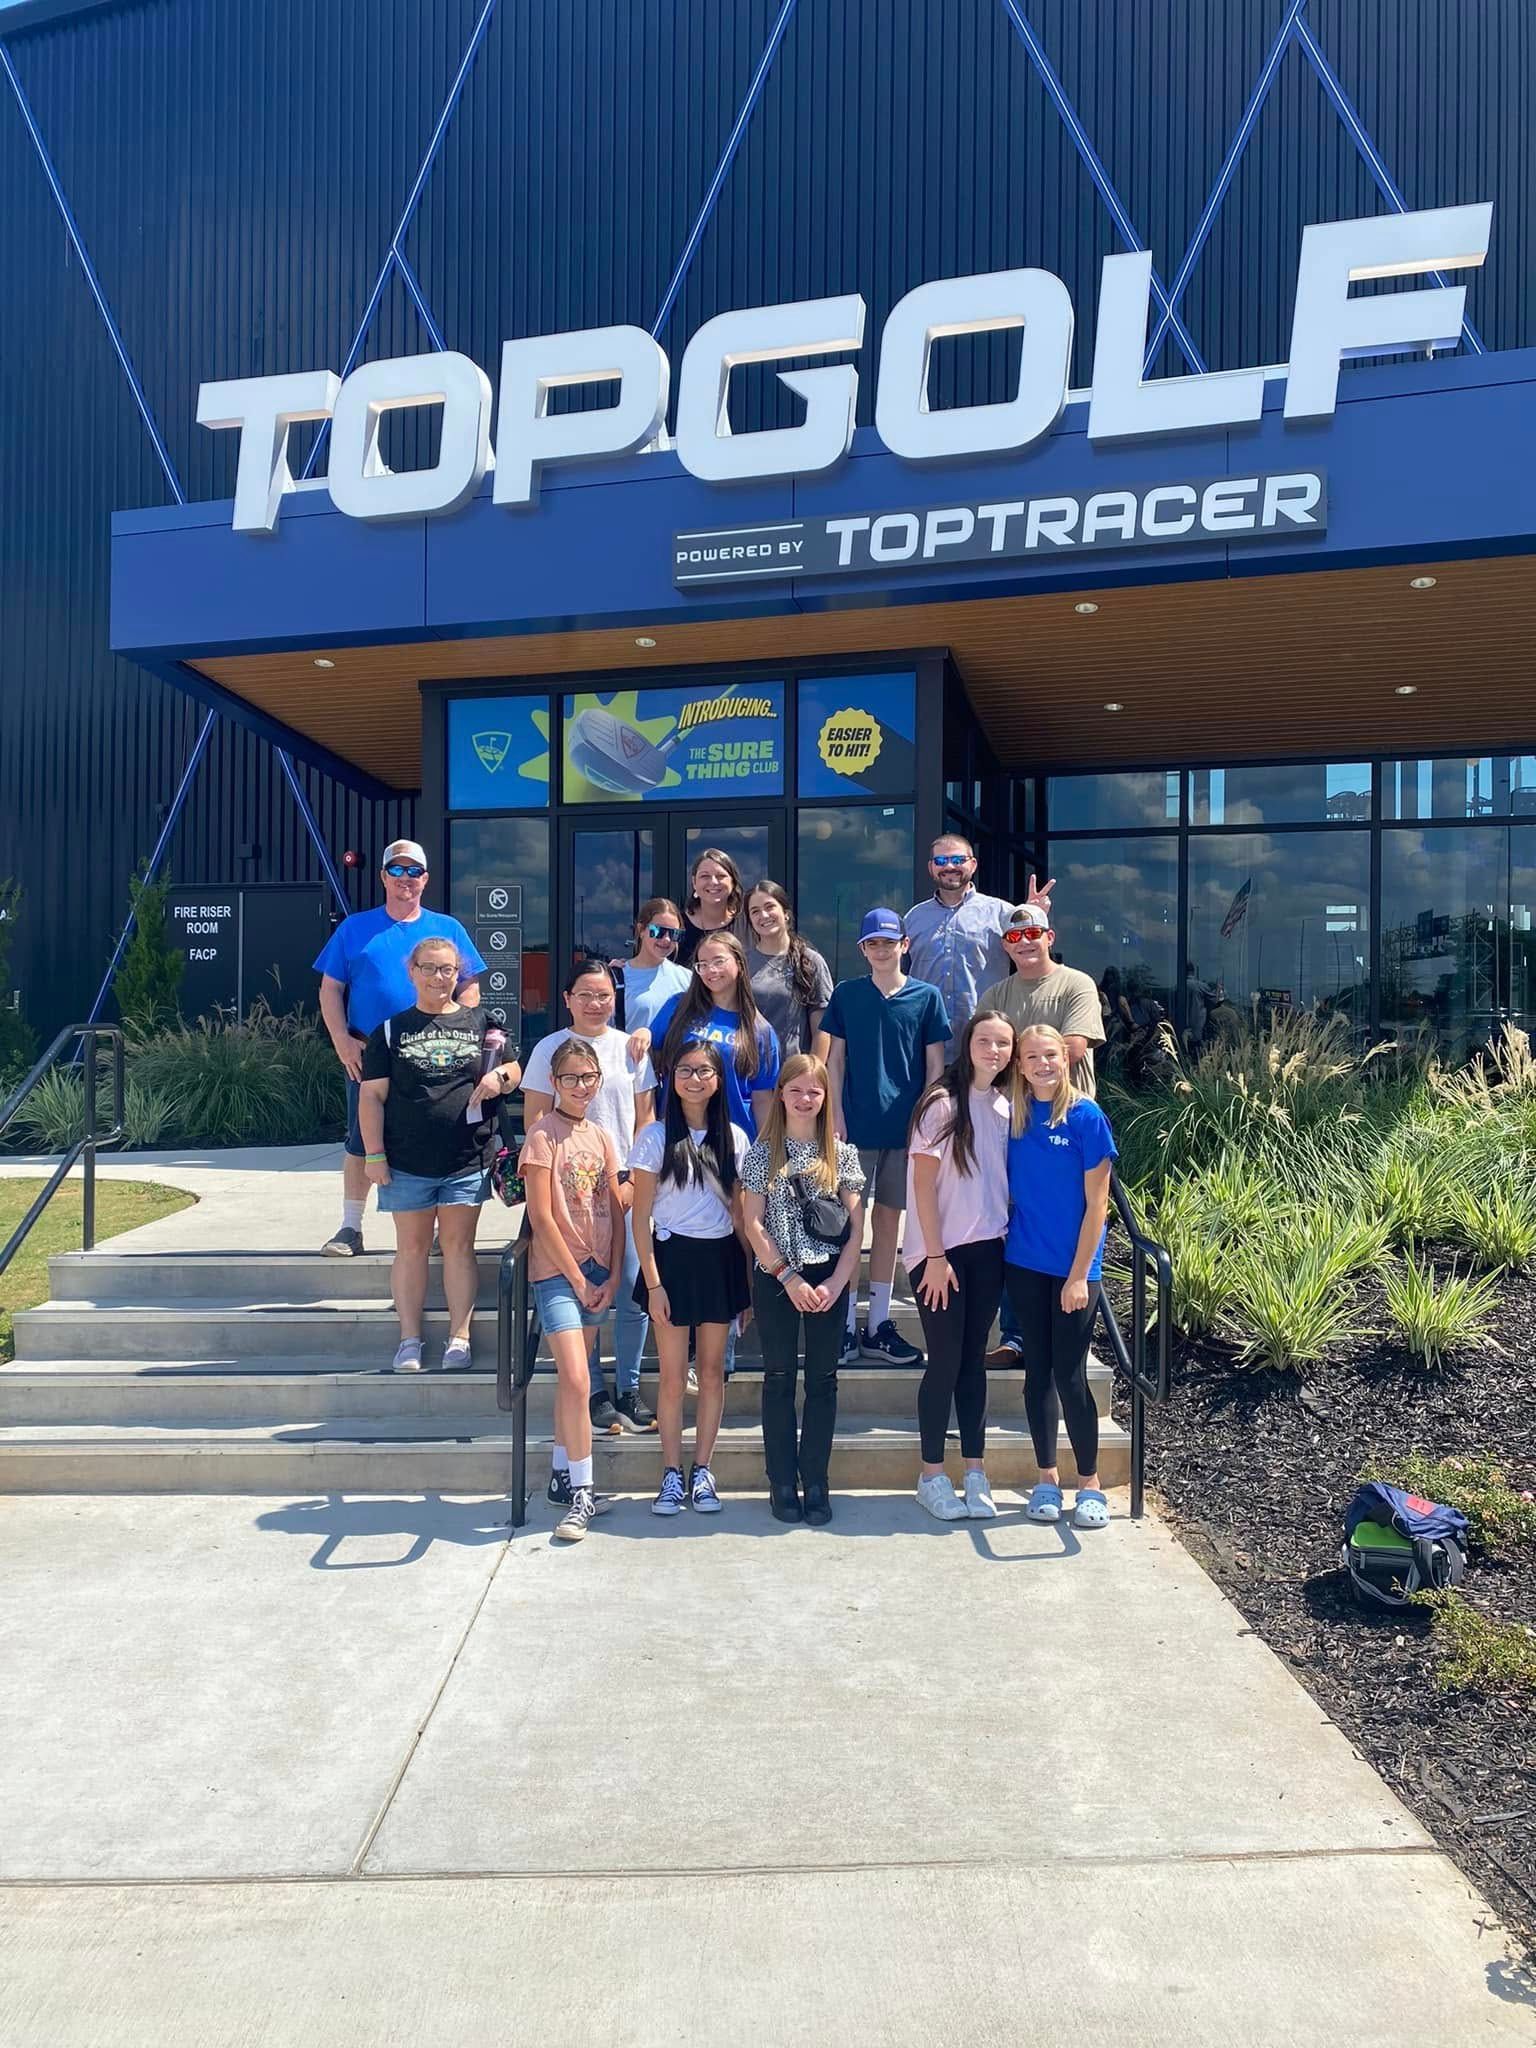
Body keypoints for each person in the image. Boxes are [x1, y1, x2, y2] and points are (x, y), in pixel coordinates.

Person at [314, 838, 491, 1257]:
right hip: (368, 1055)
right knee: (362, 1141)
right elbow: (330, 989)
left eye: (414, 871)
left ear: (425, 879)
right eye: (397, 869)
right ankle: (351, 1227)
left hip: (435, 1054)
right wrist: (342, 1042)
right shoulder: (354, 928)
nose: (405, 878)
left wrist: (464, 1041)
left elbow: (470, 989)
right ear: (383, 876)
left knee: (437, 1135)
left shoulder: (448, 929)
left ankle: (441, 1232)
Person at [358, 936, 520, 1374]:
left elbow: (513, 1067)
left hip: (466, 1159)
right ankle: (409, 1340)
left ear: (458, 974)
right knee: (411, 1248)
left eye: (447, 969)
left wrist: (502, 1077)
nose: (437, 977)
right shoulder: (390, 1031)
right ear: (412, 972)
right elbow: (372, 1097)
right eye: (428, 968)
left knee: (458, 1247)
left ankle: (459, 1338)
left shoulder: (482, 1022)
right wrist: (374, 1155)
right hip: (406, 1162)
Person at [520, 960, 657, 1437]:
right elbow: (535, 1120)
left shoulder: (630, 1047)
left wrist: (633, 1179)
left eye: (604, 995)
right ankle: (594, 1392)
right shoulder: (548, 1048)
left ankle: (629, 1388)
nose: (595, 1003)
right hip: (570, 1192)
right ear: (567, 999)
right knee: (587, 1290)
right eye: (585, 994)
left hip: (622, 1185)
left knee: (633, 1288)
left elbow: (646, 1117)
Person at [628, 1039, 752, 1518]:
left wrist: (747, 1285)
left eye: (704, 1071)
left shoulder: (735, 1139)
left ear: (719, 1080)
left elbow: (740, 1218)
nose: (694, 1079)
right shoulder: (655, 1138)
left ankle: (703, 1469)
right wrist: (654, 1284)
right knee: (674, 1374)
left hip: (719, 1260)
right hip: (671, 1261)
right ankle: (671, 1472)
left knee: (714, 1370)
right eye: (685, 1070)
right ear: (671, 1078)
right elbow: (641, 1219)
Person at [904, 1008, 1018, 1522]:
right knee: (945, 1362)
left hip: (988, 1251)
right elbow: (922, 1186)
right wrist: (934, 1256)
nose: (994, 1051)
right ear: (968, 1044)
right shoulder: (941, 1104)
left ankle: (975, 1471)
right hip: (939, 1254)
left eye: (1003, 1044)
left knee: (973, 1362)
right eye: (985, 1041)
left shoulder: (1005, 1106)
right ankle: (931, 1476)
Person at [822, 908, 949, 1367]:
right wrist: (834, 1114)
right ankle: (843, 1327)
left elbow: (935, 1066)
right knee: (848, 1223)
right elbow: (834, 1061)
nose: (881, 950)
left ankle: (877, 1324)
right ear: (863, 949)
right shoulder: (847, 994)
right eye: (872, 943)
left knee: (888, 1223)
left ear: (904, 945)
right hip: (854, 1129)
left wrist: (927, 1122)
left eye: (888, 942)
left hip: (905, 1131)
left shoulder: (926, 997)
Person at [740, 1055, 865, 1524]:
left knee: (822, 1381)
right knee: (778, 1378)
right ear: (781, 1095)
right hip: (778, 1277)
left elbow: (856, 1228)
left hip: (827, 1277)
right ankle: (780, 1480)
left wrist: (836, 1281)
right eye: (796, 1090)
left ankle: (815, 1479)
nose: (805, 1098)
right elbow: (752, 1223)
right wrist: (786, 1276)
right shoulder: (762, 1153)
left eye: (814, 1090)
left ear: (825, 1096)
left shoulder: (841, 1155)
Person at [1004, 1025, 1117, 1533]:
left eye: (1050, 1054)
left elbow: (1098, 1206)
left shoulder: (1086, 1117)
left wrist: (1078, 1276)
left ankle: (1090, 1483)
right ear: (1020, 1065)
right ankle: (1046, 1477)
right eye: (1032, 1057)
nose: (1042, 1064)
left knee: (1071, 1376)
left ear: (1066, 1058)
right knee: (1038, 1375)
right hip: (1024, 1264)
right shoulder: (1013, 1115)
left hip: (1074, 1271)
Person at [518, 1036, 626, 1543]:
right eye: (570, 1078)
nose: (580, 1086)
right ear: (554, 1082)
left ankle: (562, 1474)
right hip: (559, 1274)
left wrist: (612, 1271)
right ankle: (584, 1490)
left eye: (587, 1077)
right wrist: (578, 1279)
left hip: (599, 1273)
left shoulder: (601, 1137)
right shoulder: (543, 1136)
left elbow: (616, 1207)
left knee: (572, 1384)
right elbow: (540, 1215)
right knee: (580, 1380)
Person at [904, 835, 1052, 1054]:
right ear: (931, 867)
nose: (950, 866)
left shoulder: (1002, 913)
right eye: (941, 861)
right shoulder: (913, 918)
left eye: (958, 860)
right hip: (925, 1044)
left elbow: (1030, 960)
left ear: (973, 864)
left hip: (986, 1046)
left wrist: (1032, 916)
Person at [650, 933, 781, 1141]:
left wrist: (765, 1150)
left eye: (719, 961)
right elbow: (647, 1057)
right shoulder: (678, 1006)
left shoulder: (761, 1031)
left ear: (739, 963)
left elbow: (763, 1099)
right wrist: (641, 1033)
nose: (711, 970)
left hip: (733, 1140)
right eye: (702, 964)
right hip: (677, 1136)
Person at [977, 901, 1105, 1093]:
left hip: (1068, 1106)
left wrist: (1005, 1054)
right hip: (1012, 1107)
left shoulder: (1078, 984)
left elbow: (1073, 1049)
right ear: (1005, 945)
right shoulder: (994, 995)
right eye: (1014, 936)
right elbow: (980, 1051)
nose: (1024, 942)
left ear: (1050, 937)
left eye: (1033, 933)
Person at [745, 880, 833, 1057]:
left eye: (769, 907)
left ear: (785, 913)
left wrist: (814, 1069)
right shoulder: (742, 963)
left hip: (795, 1069)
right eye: (755, 911)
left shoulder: (810, 961)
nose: (763, 915)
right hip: (752, 1069)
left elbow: (822, 1030)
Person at [616, 897, 692, 1050]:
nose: (666, 939)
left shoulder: (687, 978)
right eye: (658, 931)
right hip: (630, 1061)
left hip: (674, 1063)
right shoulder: (617, 976)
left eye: (674, 934)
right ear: (641, 930)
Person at [675, 847, 747, 965]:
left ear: (733, 882)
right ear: (694, 882)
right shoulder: (678, 926)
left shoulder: (747, 925)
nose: (713, 882)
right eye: (705, 876)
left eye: (720, 876)